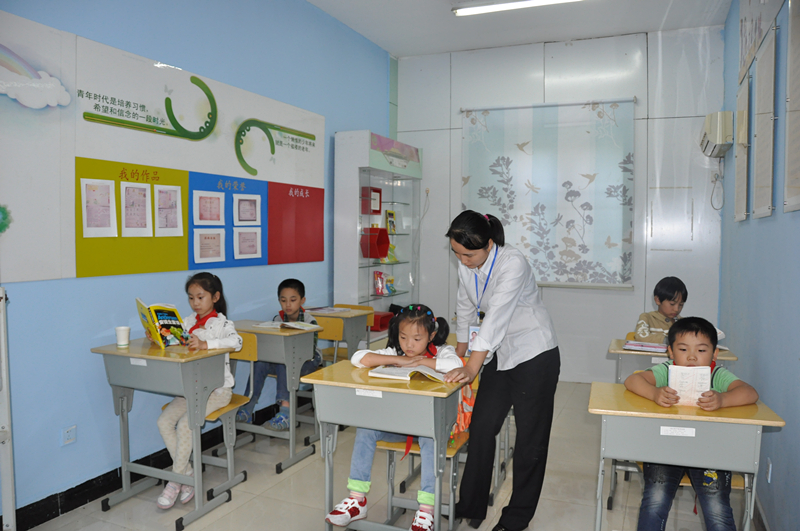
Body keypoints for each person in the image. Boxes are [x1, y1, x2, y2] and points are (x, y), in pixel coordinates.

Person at [444, 210, 560, 531]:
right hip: (498, 354)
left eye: (468, 255)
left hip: (534, 354)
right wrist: (459, 354)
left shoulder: (513, 263)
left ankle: (516, 518)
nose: (462, 261)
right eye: (456, 254)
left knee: (530, 441)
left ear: (488, 244)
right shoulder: (467, 263)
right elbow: (466, 307)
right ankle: (471, 505)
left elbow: (495, 318)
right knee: (481, 428)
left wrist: (472, 366)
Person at [325, 305, 461, 531]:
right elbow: (358, 358)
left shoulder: (442, 351)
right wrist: (401, 361)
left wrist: (421, 362)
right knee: (366, 428)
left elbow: (456, 364)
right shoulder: (394, 353)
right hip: (400, 425)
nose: (409, 345)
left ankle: (426, 509)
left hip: (431, 427)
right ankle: (357, 500)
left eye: (417, 339)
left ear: (431, 336)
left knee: (430, 438)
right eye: (403, 337)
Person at [624, 317, 758, 531]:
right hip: (666, 448)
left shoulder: (717, 375)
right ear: (670, 352)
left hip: (709, 451)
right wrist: (654, 393)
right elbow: (632, 381)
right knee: (655, 501)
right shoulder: (667, 370)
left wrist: (722, 399)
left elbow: (750, 393)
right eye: (683, 349)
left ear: (714, 354)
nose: (692, 356)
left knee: (717, 508)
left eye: (702, 350)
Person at [151, 272, 242, 509]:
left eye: (200, 297)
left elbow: (236, 342)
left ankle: (175, 480)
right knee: (163, 422)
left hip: (216, 392)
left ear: (215, 297)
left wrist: (206, 344)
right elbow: (175, 345)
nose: (195, 303)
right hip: (189, 391)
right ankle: (188, 474)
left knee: (185, 425)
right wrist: (158, 338)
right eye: (191, 298)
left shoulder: (222, 324)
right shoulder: (187, 322)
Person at [236, 278, 321, 430]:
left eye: (293, 300)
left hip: (309, 361)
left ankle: (285, 412)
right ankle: (248, 407)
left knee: (284, 361)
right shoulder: (277, 319)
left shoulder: (310, 321)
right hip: (285, 361)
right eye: (283, 300)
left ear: (302, 300)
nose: (288, 304)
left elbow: (310, 350)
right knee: (260, 361)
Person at [634, 276, 687, 343]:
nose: (676, 309)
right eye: (672, 304)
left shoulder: (684, 323)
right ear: (658, 300)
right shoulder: (647, 317)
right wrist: (668, 340)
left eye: (681, 305)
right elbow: (640, 337)